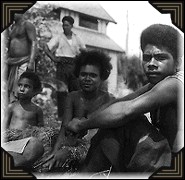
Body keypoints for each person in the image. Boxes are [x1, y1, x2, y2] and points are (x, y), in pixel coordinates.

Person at [66, 24, 184, 173]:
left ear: (178, 63)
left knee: (129, 120)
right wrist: (87, 120)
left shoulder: (175, 84)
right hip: (166, 160)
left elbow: (126, 111)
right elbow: (121, 102)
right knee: (113, 121)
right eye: (147, 58)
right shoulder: (156, 85)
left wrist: (82, 125)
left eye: (160, 58)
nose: (152, 64)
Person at [42, 50, 114, 170]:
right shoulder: (73, 97)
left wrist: (69, 152)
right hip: (73, 144)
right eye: (83, 74)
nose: (87, 78)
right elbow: (64, 128)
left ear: (102, 77)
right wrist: (55, 152)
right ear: (77, 75)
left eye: (93, 75)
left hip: (96, 149)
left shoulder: (108, 99)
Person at [44, 15, 86, 119]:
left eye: (67, 25)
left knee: (75, 90)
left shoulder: (77, 38)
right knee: (61, 91)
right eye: (63, 25)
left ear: (71, 26)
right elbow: (46, 47)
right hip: (62, 65)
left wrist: (80, 62)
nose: (64, 27)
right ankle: (62, 117)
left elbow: (84, 51)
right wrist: (54, 58)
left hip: (74, 65)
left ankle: (76, 116)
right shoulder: (58, 37)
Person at [2, 71, 44, 168]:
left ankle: (12, 164)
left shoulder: (37, 110)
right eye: (20, 85)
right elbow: (4, 127)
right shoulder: (11, 107)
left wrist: (31, 135)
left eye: (27, 86)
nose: (21, 89)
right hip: (10, 143)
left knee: (35, 145)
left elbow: (41, 131)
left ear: (34, 91)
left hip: (26, 144)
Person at [7, 13, 37, 103]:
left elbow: (34, 42)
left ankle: (23, 111)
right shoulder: (12, 27)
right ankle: (13, 110)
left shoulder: (27, 25)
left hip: (25, 61)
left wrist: (31, 61)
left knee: (23, 88)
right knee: (12, 91)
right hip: (12, 62)